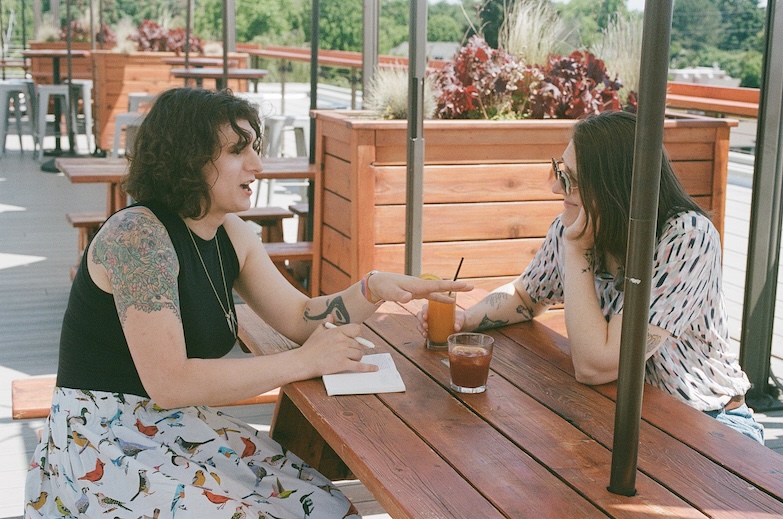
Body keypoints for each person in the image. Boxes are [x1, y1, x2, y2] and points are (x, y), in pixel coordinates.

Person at [24, 87, 471, 518]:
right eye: (238, 151)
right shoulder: (138, 238)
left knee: (325, 504)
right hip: (103, 441)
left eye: (255, 148)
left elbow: (298, 317)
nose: (258, 165)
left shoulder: (229, 233)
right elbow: (170, 382)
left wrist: (371, 288)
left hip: (174, 427)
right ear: (189, 159)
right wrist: (305, 362)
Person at [417, 110, 764, 445]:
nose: (556, 188)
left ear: (614, 189)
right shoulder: (576, 224)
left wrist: (577, 251)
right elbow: (526, 296)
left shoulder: (686, 238)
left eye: (570, 180)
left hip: (709, 425)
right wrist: (466, 320)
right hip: (620, 415)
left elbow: (596, 367)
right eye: (559, 171)